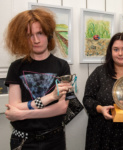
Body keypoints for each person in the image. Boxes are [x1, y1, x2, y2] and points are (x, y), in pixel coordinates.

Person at [4, 8, 72, 150]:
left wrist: (22, 114)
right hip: (23, 141)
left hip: (54, 139)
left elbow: (61, 108)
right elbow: (13, 107)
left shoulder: (62, 66)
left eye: (40, 33)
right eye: (29, 35)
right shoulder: (16, 67)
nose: (35, 40)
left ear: (48, 34)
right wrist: (50, 98)